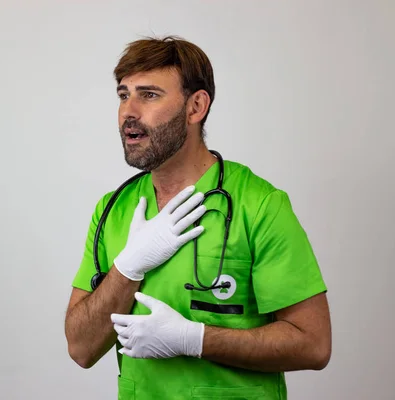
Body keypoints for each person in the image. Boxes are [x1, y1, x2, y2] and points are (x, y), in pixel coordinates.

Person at [64, 35, 331, 400]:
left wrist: (194, 339)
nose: (129, 111)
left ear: (196, 106)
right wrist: (126, 270)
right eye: (124, 94)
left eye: (149, 95)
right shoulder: (113, 209)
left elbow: (313, 344)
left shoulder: (260, 205)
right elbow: (81, 348)